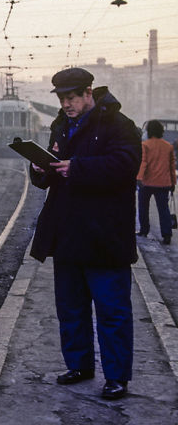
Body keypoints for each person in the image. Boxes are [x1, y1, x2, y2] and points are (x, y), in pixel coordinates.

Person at [29, 67, 141, 401]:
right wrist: (39, 169)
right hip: (67, 233)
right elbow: (50, 173)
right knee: (71, 308)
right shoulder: (60, 125)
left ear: (89, 92)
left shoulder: (119, 125)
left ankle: (116, 377)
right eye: (62, 99)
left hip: (105, 235)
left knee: (112, 310)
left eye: (72, 97)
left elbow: (126, 164)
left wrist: (77, 167)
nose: (66, 104)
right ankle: (79, 365)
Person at [136, 120, 176, 244]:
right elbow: (171, 166)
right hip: (163, 183)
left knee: (143, 207)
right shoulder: (168, 146)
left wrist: (139, 178)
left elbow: (144, 162)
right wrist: (173, 183)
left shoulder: (146, 145)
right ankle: (167, 234)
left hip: (147, 182)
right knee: (163, 209)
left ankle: (144, 230)